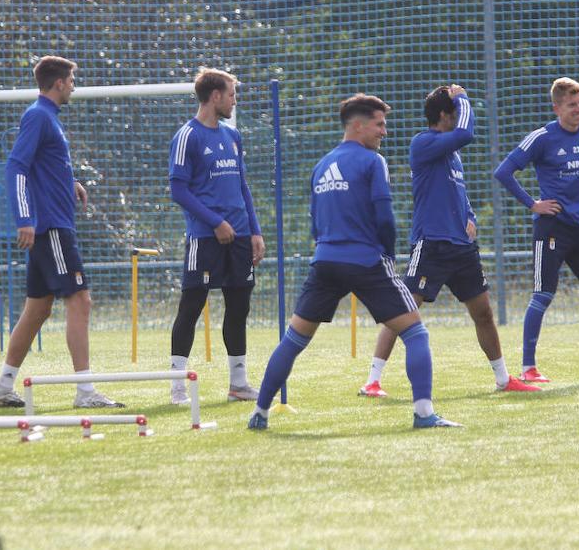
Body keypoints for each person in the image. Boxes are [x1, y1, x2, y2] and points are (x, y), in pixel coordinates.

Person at [248, 94, 460, 430]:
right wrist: (388, 254)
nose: (384, 132)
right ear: (358, 126)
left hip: (325, 262)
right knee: (416, 333)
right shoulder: (372, 162)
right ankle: (423, 414)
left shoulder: (321, 166)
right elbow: (384, 216)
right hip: (365, 261)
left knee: (293, 340)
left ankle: (259, 413)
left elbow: (315, 223)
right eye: (379, 124)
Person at [358, 84, 537, 397]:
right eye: (455, 112)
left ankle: (503, 379)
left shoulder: (452, 155)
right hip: (432, 245)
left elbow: (458, 192)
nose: (459, 117)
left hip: (462, 249)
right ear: (444, 115)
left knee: (483, 313)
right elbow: (467, 133)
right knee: (402, 310)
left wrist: (471, 217)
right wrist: (463, 98)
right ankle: (373, 381)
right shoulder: (424, 142)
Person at [0, 56, 123, 409]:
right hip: (51, 228)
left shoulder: (49, 119)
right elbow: (16, 167)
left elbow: (43, 166)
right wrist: (24, 219)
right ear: (59, 83)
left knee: (37, 310)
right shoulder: (37, 115)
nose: (74, 86)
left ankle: (2, 387)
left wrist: (69, 182)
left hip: (53, 223)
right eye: (72, 80)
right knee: (80, 300)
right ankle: (85, 390)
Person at [493, 77, 579, 383]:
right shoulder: (541, 138)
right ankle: (528, 369)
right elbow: (504, 172)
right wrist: (532, 204)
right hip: (552, 226)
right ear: (557, 108)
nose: (578, 109)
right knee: (543, 294)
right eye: (571, 105)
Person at [167, 68, 264, 403]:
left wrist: (254, 231)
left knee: (239, 307)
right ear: (215, 96)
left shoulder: (232, 136)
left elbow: (242, 186)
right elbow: (178, 190)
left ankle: (238, 385)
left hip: (239, 237)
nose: (235, 101)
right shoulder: (187, 136)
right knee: (191, 306)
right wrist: (214, 222)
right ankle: (178, 385)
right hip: (204, 238)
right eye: (232, 94)